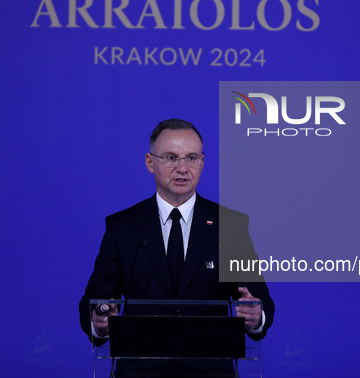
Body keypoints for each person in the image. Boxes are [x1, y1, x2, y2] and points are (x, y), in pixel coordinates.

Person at [79, 119, 274, 377]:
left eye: (192, 158)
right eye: (171, 157)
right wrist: (100, 321)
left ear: (202, 162)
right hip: (141, 372)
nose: (183, 168)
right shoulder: (122, 227)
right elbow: (93, 303)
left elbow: (261, 302)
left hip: (210, 372)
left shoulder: (231, 225)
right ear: (150, 162)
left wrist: (255, 316)